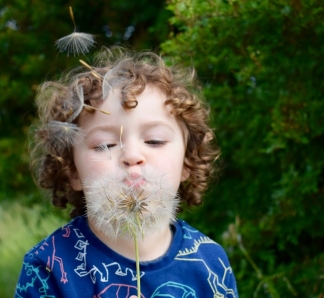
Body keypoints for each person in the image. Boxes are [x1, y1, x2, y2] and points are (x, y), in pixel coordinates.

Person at [15, 49, 238, 298]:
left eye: (154, 140)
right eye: (104, 145)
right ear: (72, 171)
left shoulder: (210, 262)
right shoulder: (47, 268)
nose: (132, 155)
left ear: (187, 162)